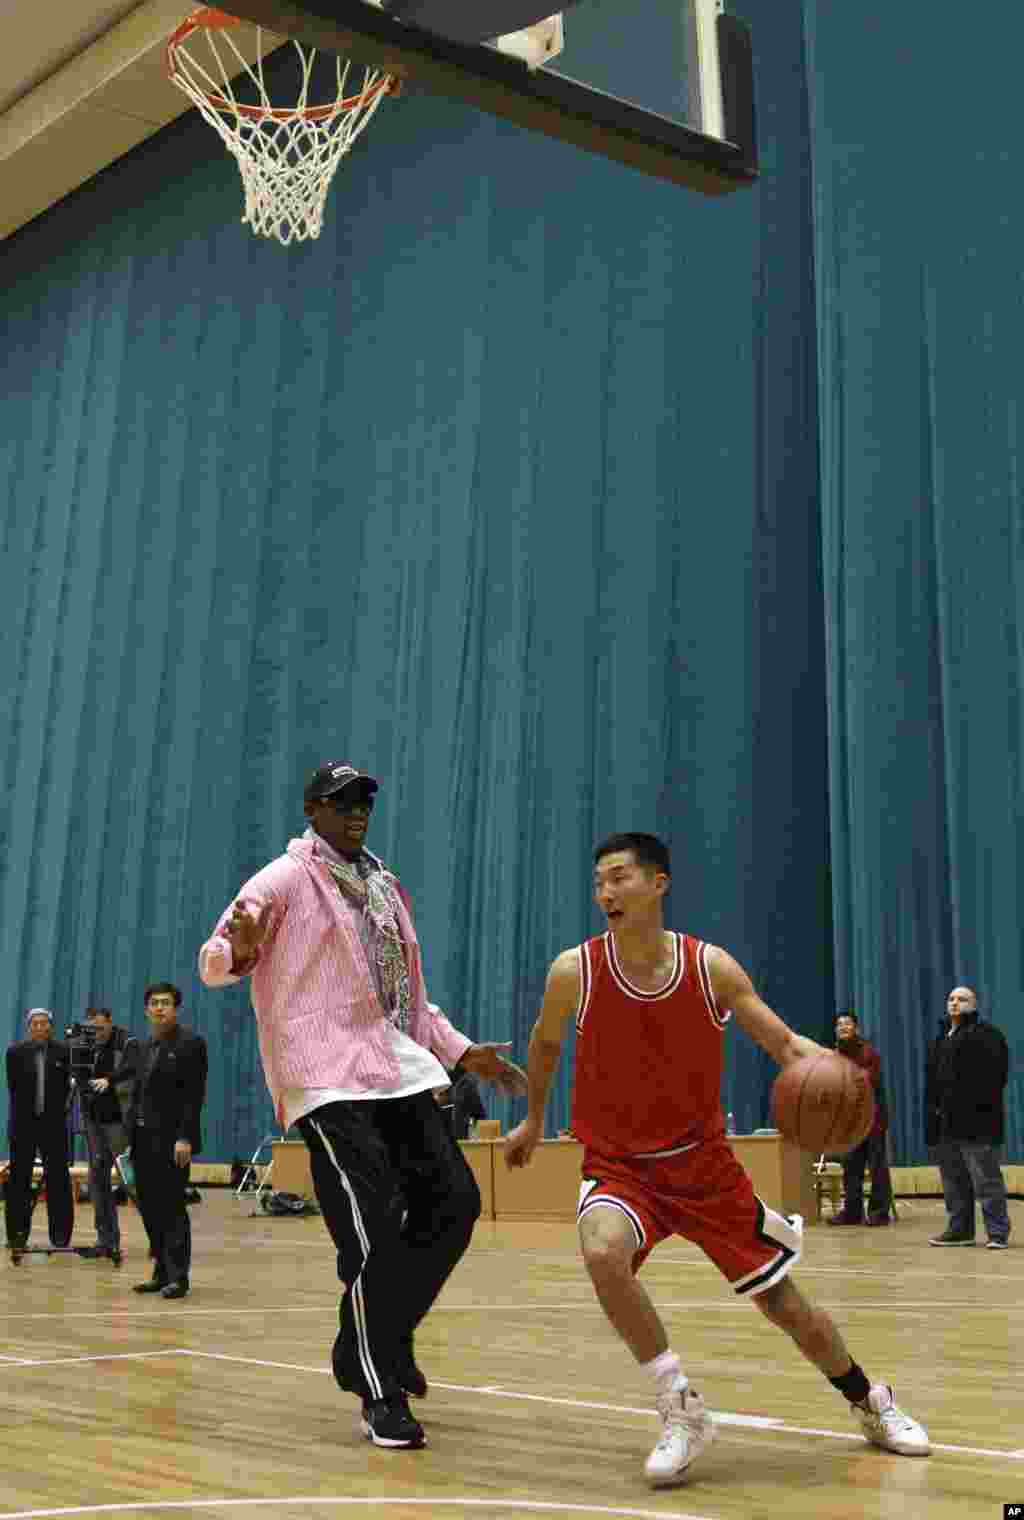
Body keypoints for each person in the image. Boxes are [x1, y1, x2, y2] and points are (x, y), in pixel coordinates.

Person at [504, 833, 930, 1487]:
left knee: (785, 1305)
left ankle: (869, 1401)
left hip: (703, 1166)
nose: (606, 893)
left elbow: (785, 1045)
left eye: (619, 878)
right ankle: (680, 1406)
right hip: (621, 1167)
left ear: (659, 883)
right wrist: (533, 1119)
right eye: (599, 883)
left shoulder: (709, 968)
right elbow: (544, 1045)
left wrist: (840, 1075)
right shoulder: (575, 971)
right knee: (601, 1249)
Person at [199, 760, 527, 1452]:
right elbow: (219, 953)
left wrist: (463, 1051)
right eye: (342, 801)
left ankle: (373, 1337)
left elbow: (406, 996)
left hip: (392, 1067)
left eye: (364, 803)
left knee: (453, 1203)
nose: (356, 813)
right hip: (323, 1077)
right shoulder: (282, 879)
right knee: (371, 1226)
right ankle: (381, 1391)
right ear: (313, 809)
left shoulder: (383, 887)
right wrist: (238, 952)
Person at [125, 983, 208, 1298]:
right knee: (149, 1207)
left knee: (171, 1206)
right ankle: (161, 1271)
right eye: (154, 1003)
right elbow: (137, 1092)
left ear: (176, 1008)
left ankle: (178, 1276)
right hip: (142, 1138)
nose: (159, 1008)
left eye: (166, 1003)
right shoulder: (143, 1046)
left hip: (172, 1141)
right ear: (147, 1010)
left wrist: (185, 1137)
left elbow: (193, 1095)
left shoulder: (191, 1043)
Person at [925, 985, 1011, 1249]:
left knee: (986, 1180)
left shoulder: (988, 1035)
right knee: (954, 1182)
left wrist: (973, 1105)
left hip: (977, 1123)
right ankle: (960, 1231)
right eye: (951, 998)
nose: (955, 1003)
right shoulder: (941, 1038)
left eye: (962, 999)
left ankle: (997, 1233)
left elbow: (996, 1077)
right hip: (945, 1123)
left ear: (973, 1005)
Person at [4, 1009, 75, 1251]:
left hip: (53, 1125)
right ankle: (16, 1234)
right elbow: (13, 1088)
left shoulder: (63, 1052)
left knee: (58, 1179)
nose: (39, 1027)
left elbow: (68, 1087)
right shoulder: (15, 1052)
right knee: (19, 1179)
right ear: (29, 1027)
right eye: (34, 1023)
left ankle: (60, 1235)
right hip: (23, 1125)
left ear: (50, 1027)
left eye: (44, 1023)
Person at [77, 1007, 138, 1264]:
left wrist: (109, 1080)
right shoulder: (85, 1043)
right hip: (93, 1120)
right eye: (93, 1029)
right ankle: (106, 1240)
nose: (97, 1033)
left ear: (110, 1023)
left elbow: (133, 1068)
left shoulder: (127, 1041)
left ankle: (161, 1239)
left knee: (132, 1180)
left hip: (119, 1121)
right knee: (97, 1181)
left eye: (101, 1028)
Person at [827, 1012, 892, 1227]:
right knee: (851, 1168)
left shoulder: (868, 1053)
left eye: (847, 1024)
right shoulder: (834, 1056)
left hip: (873, 1119)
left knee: (877, 1168)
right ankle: (852, 1213)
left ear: (857, 1029)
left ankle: (879, 1212)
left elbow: (864, 1082)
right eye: (839, 1024)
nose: (843, 1027)